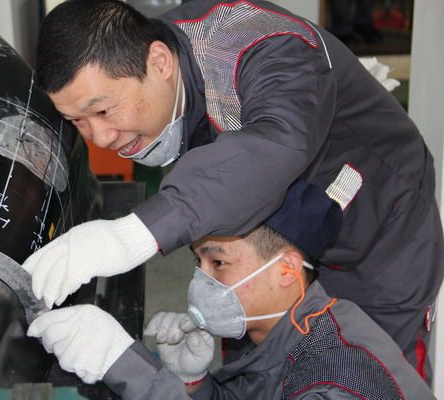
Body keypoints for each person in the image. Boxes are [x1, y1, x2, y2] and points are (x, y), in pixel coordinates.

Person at [22, 0, 444, 382]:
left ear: (160, 62)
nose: (99, 137)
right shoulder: (156, 72)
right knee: (259, 371)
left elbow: (278, 142)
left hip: (377, 238)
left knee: (373, 375)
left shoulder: (261, 47)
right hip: (281, 237)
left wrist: (131, 234)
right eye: (78, 120)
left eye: (103, 110)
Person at [26, 181, 435, 399]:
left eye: (218, 263)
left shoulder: (340, 378)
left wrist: (123, 365)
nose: (200, 281)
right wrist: (195, 383)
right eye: (198, 263)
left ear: (286, 270)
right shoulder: (290, 334)